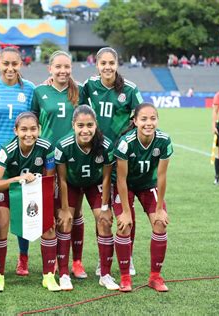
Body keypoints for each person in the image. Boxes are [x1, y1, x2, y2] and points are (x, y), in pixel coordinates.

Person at [82, 46, 143, 277]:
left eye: (111, 63)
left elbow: (141, 115)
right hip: (95, 155)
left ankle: (128, 256)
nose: (107, 67)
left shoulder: (129, 89)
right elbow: (72, 95)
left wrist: (126, 141)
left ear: (117, 64)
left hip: (120, 158)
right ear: (96, 65)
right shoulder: (89, 85)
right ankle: (103, 258)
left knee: (127, 209)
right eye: (103, 63)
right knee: (102, 212)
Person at [0, 47, 35, 276]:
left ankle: (23, 259)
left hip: (22, 157)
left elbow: (34, 119)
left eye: (15, 64)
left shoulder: (30, 89)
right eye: (6, 64)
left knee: (23, 210)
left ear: (21, 64)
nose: (10, 68)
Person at [0, 112, 60, 292]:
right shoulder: (7, 150)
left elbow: (49, 180)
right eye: (24, 130)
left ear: (39, 129)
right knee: (1, 224)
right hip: (8, 190)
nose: (29, 134)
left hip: (34, 190)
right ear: (16, 130)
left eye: (33, 129)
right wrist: (16, 179)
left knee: (49, 226)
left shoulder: (46, 147)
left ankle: (48, 276)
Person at [34, 51, 88, 279]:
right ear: (50, 69)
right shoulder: (40, 92)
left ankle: (76, 261)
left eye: (67, 67)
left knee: (75, 212)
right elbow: (33, 121)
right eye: (58, 67)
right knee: (51, 211)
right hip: (47, 161)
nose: (63, 71)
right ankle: (54, 260)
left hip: (74, 159)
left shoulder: (80, 91)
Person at [112, 102, 173, 292]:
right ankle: (125, 277)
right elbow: (121, 180)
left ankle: (155, 276)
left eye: (153, 118)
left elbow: (161, 177)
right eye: (144, 119)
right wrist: (126, 212)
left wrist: (160, 209)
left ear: (158, 120)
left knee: (160, 222)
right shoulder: (125, 143)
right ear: (135, 121)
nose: (149, 123)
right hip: (126, 186)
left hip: (148, 185)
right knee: (125, 225)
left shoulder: (164, 140)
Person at [55, 105, 116, 291]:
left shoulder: (106, 145)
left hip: (94, 184)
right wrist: (64, 209)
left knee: (104, 222)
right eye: (80, 125)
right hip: (71, 184)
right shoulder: (63, 145)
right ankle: (64, 274)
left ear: (96, 125)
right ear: (73, 125)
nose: (85, 130)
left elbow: (106, 177)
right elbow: (62, 180)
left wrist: (105, 206)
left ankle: (105, 274)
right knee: (65, 222)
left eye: (89, 125)